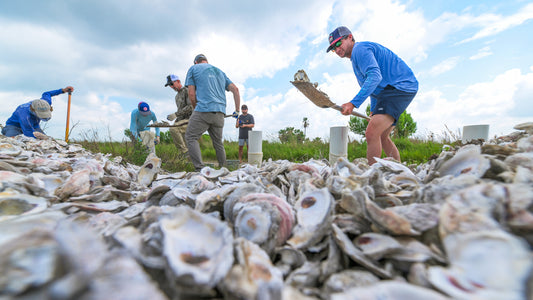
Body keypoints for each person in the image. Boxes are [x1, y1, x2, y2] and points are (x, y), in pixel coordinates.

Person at [327, 26, 418, 165]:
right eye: (333, 48)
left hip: (399, 86)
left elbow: (375, 77)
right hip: (391, 90)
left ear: (350, 37)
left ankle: (372, 177)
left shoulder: (359, 50)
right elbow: (375, 90)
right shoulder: (356, 59)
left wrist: (353, 103)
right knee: (382, 135)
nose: (337, 49)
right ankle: (400, 172)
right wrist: (373, 110)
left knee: (371, 133)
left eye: (339, 43)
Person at [184, 54, 241, 171]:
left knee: (190, 137)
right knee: (218, 143)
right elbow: (235, 89)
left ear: (196, 62)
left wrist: (196, 109)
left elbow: (191, 94)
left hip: (203, 109)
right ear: (206, 61)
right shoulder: (219, 71)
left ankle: (200, 170)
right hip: (220, 113)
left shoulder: (193, 69)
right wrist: (237, 110)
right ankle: (223, 169)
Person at [2, 86, 74, 139]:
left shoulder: (44, 102)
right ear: (33, 110)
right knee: (11, 141)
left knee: (46, 140)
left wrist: (63, 90)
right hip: (14, 126)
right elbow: (28, 133)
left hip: (34, 126)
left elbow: (47, 93)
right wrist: (38, 138)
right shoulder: (24, 114)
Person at [165, 74, 192, 155]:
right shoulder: (177, 97)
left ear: (178, 81)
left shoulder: (187, 91)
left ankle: (184, 153)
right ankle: (188, 160)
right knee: (184, 141)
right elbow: (180, 110)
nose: (171, 87)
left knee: (173, 129)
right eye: (169, 85)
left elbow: (191, 106)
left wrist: (176, 114)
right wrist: (177, 118)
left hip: (192, 119)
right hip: (183, 121)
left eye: (172, 84)